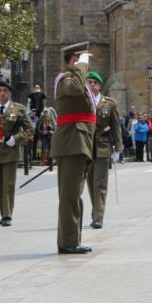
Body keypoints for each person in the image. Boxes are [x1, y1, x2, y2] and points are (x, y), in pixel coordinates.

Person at [52, 47, 95, 254]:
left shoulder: (76, 80)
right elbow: (76, 89)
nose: (86, 66)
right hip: (71, 143)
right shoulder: (66, 80)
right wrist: (81, 67)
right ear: (73, 61)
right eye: (81, 61)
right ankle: (68, 242)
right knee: (70, 195)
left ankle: (71, 240)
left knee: (75, 194)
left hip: (80, 143)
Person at [0, 78, 34, 227]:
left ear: (10, 93)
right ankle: (3, 212)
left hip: (10, 152)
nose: (2, 93)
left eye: (5, 91)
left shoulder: (18, 109)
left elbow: (30, 130)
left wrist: (16, 139)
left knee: (8, 184)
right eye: (0, 91)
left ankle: (7, 215)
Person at [85, 72, 122, 229]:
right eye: (89, 82)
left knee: (100, 183)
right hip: (86, 147)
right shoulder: (83, 102)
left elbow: (116, 126)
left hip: (102, 147)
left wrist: (118, 149)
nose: (92, 85)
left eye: (95, 83)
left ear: (100, 85)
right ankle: (96, 211)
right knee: (90, 183)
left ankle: (98, 217)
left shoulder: (109, 103)